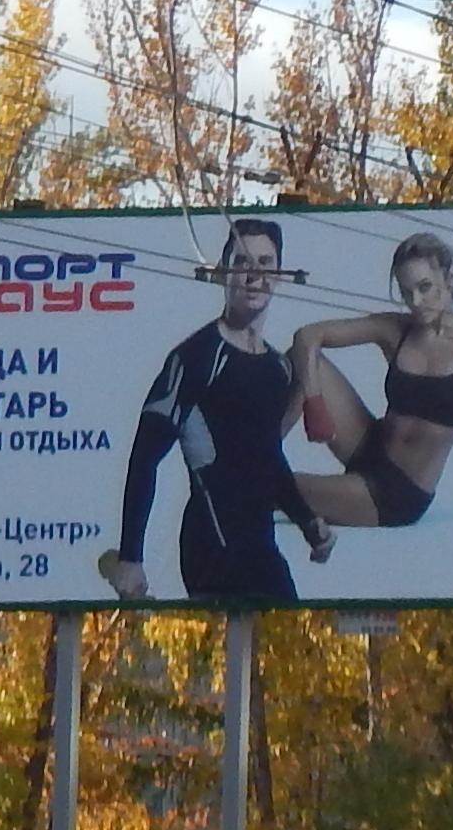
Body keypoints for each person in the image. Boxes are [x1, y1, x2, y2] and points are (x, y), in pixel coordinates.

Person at [100, 216, 323, 604]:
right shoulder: (195, 358)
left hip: (261, 549)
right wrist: (131, 557)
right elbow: (144, 458)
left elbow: (268, 458)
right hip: (211, 548)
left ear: (280, 274)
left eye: (266, 264)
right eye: (242, 263)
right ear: (222, 274)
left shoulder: (277, 367)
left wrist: (307, 521)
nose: (254, 276)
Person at [289, 229, 453, 533]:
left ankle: (252, 474)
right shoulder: (395, 328)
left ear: (449, 277)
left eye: (425, 287)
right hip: (366, 445)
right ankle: (259, 450)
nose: (416, 301)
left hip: (397, 493)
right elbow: (307, 336)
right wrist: (314, 403)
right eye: (406, 292)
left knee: (268, 486)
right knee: (299, 359)